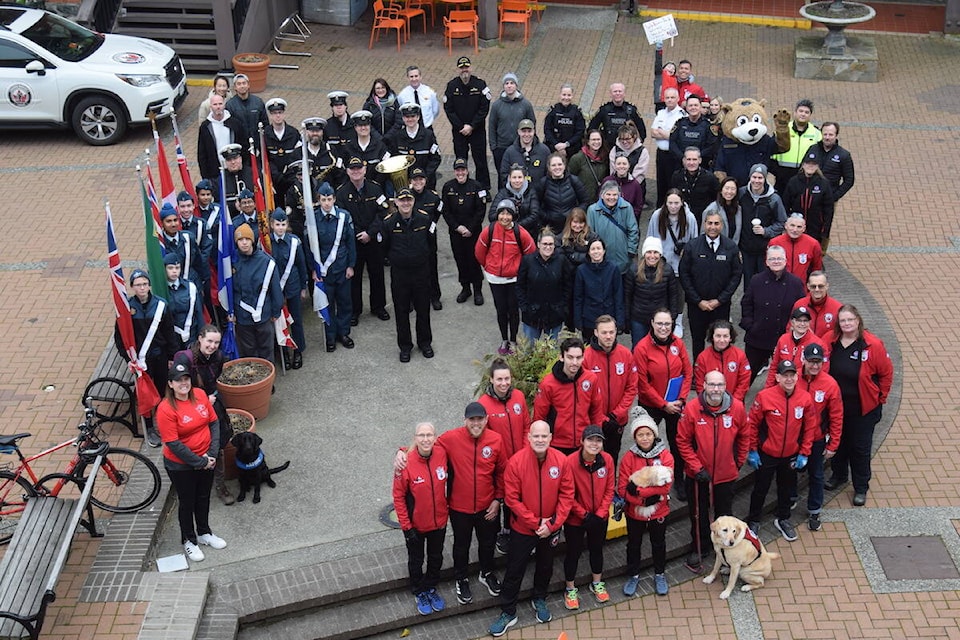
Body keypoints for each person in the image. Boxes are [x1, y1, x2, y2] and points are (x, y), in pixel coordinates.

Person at [397, 402, 507, 608]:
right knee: (461, 546)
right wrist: (401, 450)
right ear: (465, 420)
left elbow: (502, 471)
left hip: (487, 506)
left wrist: (497, 499)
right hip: (459, 508)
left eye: (480, 419)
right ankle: (461, 579)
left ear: (486, 420)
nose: (476, 423)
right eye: (472, 419)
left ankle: (486, 573)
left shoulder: (496, 440)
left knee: (488, 543)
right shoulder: (451, 438)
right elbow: (425, 443)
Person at [488, 420, 574, 636]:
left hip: (551, 528)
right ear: (528, 437)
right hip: (524, 529)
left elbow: (567, 495)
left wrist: (553, 524)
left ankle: (539, 599)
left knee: (545, 566)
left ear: (551, 438)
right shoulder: (516, 463)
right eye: (536, 436)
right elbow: (512, 499)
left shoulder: (561, 461)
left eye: (544, 436)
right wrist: (536, 523)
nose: (540, 440)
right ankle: (508, 612)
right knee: (514, 570)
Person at [676, 370, 748, 572]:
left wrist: (738, 462)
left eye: (720, 385)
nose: (716, 389)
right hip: (698, 476)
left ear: (725, 386)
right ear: (704, 386)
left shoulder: (737, 409)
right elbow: (682, 441)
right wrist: (696, 467)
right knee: (698, 514)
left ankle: (726, 551)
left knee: (725, 516)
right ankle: (700, 547)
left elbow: (744, 436)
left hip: (726, 475)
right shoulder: (691, 409)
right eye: (712, 384)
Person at [157, 357, 226, 562]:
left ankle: (204, 532)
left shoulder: (200, 394)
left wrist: (211, 454)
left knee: (203, 498)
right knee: (187, 502)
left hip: (207, 459)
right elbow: (173, 443)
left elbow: (213, 423)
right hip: (181, 466)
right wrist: (200, 461)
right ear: (170, 384)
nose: (183, 383)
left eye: (186, 378)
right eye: (178, 380)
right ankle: (189, 539)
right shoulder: (166, 409)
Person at [825, 305, 893, 507]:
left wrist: (880, 398)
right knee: (839, 443)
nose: (846, 324)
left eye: (850, 320)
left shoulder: (872, 345)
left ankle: (861, 486)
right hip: (836, 408)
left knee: (860, 448)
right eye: (843, 320)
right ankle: (839, 476)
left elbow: (886, 373)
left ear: (858, 321)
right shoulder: (830, 340)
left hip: (863, 410)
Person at [745, 360, 817, 542]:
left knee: (786, 489)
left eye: (792, 375)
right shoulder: (764, 397)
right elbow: (752, 425)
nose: (789, 379)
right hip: (767, 454)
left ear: (797, 376)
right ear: (777, 377)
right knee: (760, 489)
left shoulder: (805, 399)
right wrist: (752, 450)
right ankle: (754, 520)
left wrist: (804, 453)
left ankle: (783, 519)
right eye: (784, 375)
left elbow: (810, 427)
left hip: (791, 455)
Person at [632, 308, 692, 497]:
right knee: (647, 443)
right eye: (659, 323)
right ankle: (645, 480)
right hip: (651, 405)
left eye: (667, 324)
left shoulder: (678, 344)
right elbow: (642, 383)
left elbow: (688, 372)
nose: (663, 327)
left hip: (675, 404)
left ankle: (678, 480)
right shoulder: (641, 348)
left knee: (677, 442)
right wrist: (663, 404)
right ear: (652, 323)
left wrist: (681, 399)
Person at [115, 269, 177, 447]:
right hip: (140, 362)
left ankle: (164, 422)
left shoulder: (161, 305)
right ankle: (149, 427)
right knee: (145, 396)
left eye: (144, 284)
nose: (142, 288)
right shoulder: (126, 308)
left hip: (160, 356)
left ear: (149, 285)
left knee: (161, 391)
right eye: (137, 285)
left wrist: (171, 356)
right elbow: (120, 337)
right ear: (132, 287)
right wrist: (128, 359)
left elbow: (169, 332)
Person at [174, 325, 234, 506]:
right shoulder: (185, 359)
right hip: (191, 408)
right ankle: (193, 486)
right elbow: (178, 387)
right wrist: (200, 399)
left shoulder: (219, 357)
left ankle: (220, 486)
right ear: (200, 338)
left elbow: (215, 379)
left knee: (218, 445)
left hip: (213, 406)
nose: (212, 345)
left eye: (216, 342)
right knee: (192, 446)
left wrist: (211, 399)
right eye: (209, 341)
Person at [393, 422, 448, 616]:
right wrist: (406, 528)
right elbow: (398, 497)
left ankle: (431, 588)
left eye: (429, 435)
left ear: (435, 437)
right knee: (416, 561)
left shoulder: (442, 452)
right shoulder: (405, 462)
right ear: (415, 438)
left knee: (436, 558)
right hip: (415, 526)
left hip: (439, 523)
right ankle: (418, 591)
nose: (425, 439)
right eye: (421, 435)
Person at [477, 358, 531, 554]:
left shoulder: (518, 396)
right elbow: (484, 439)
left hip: (522, 460)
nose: (503, 383)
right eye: (499, 379)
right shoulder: (483, 404)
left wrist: (525, 453)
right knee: (503, 498)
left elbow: (526, 425)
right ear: (491, 379)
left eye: (507, 379)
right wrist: (504, 462)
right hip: (499, 465)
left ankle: (517, 530)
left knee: (520, 497)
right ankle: (503, 533)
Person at [619, 409, 674, 597]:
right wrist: (643, 499)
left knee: (658, 543)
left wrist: (640, 491)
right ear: (635, 437)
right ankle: (633, 575)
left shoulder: (665, 456)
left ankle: (660, 574)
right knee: (634, 544)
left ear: (654, 434)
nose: (644, 438)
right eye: (640, 435)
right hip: (635, 512)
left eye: (648, 434)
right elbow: (623, 489)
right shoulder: (628, 458)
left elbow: (666, 486)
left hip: (659, 512)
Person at [562, 424, 615, 610]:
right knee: (573, 553)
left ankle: (597, 583)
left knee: (597, 549)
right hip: (576, 519)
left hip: (599, 517)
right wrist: (584, 515)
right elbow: (567, 494)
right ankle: (570, 588)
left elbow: (610, 488)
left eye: (598, 440)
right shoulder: (569, 462)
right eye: (590, 439)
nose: (594, 443)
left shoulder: (607, 459)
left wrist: (600, 513)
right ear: (582, 442)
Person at [678, 210, 742, 359]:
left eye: (716, 223)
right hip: (697, 306)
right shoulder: (692, 246)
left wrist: (720, 300)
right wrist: (698, 301)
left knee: (721, 341)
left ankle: (719, 371)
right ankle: (698, 371)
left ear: (722, 225)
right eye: (710, 223)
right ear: (704, 224)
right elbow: (684, 275)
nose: (713, 227)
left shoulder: (731, 247)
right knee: (697, 340)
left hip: (721, 306)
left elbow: (736, 275)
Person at [475, 200, 536, 354]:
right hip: (495, 279)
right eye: (502, 213)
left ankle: (514, 340)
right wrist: (489, 267)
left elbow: (531, 253)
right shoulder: (489, 230)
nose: (505, 217)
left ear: (513, 215)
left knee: (514, 310)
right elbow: (479, 252)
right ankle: (504, 339)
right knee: (501, 309)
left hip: (514, 279)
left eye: (508, 213)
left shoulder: (520, 233)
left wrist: (522, 273)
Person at [335, 157, 390, 326]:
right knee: (354, 277)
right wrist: (359, 233)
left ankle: (378, 307)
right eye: (352, 169)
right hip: (354, 241)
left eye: (359, 168)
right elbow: (343, 217)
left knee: (377, 275)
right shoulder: (342, 193)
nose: (356, 172)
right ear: (348, 172)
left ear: (365, 170)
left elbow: (383, 212)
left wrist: (370, 233)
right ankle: (355, 311)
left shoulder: (375, 188)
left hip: (373, 240)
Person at [382, 188, 434, 361]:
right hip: (400, 274)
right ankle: (405, 346)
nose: (405, 203)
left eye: (408, 200)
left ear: (413, 201)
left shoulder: (425, 219)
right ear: (396, 202)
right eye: (402, 200)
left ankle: (425, 343)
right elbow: (385, 248)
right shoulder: (389, 223)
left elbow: (431, 245)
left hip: (421, 272)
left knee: (423, 310)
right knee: (401, 311)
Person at [740, 244, 805, 381]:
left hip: (784, 338)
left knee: (784, 377)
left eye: (779, 259)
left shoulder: (796, 283)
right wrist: (750, 325)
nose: (776, 261)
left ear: (785, 260)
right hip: (758, 337)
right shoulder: (756, 280)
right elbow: (746, 303)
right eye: (772, 259)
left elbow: (801, 310)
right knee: (746, 376)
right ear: (767, 261)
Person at [796, 343, 843, 532]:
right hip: (793, 437)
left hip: (816, 438)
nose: (815, 366)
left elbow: (836, 416)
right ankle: (790, 499)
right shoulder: (792, 377)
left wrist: (833, 444)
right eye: (811, 361)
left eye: (818, 362)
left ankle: (814, 509)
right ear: (803, 360)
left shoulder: (830, 384)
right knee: (790, 471)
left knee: (816, 474)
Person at [533, 336, 604, 454]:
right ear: (561, 357)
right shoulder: (548, 384)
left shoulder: (591, 379)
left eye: (578, 358)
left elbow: (596, 411)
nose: (574, 363)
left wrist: (595, 437)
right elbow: (539, 417)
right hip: (557, 445)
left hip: (583, 442)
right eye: (570, 357)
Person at [583, 315, 638, 462]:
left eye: (611, 332)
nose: (608, 336)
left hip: (618, 420)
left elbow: (631, 387)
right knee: (592, 458)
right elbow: (584, 394)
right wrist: (601, 418)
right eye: (604, 332)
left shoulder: (625, 354)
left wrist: (616, 415)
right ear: (595, 332)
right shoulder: (586, 356)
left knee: (612, 456)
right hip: (594, 421)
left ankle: (610, 484)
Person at [311, 182, 357, 352]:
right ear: (319, 200)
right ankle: (330, 336)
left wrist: (351, 265)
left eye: (329, 199)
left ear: (334, 199)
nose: (327, 203)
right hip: (324, 271)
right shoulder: (313, 219)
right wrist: (313, 269)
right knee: (327, 304)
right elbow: (310, 247)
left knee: (345, 303)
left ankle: (343, 333)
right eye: (323, 199)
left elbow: (351, 243)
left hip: (342, 267)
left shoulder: (344, 216)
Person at [231, 224, 283, 360]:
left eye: (247, 239)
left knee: (266, 350)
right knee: (249, 352)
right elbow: (231, 291)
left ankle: (268, 381)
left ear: (252, 240)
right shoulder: (232, 262)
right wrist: (231, 312)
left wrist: (276, 311)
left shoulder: (266, 261)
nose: (244, 243)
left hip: (264, 314)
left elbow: (275, 289)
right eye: (240, 240)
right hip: (242, 317)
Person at [442, 157, 488, 306]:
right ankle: (465, 288)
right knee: (460, 260)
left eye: (463, 170)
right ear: (454, 171)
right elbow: (446, 211)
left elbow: (481, 211)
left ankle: (477, 290)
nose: (460, 173)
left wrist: (470, 228)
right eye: (458, 170)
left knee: (474, 261)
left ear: (467, 171)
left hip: (473, 233)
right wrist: (457, 227)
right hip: (456, 233)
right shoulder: (448, 187)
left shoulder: (477, 187)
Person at [443, 56, 492, 190]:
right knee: (460, 162)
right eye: (462, 68)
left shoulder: (480, 85)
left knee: (480, 161)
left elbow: (484, 108)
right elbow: (448, 109)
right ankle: (462, 187)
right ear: (458, 69)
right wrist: (461, 127)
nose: (464, 70)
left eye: (467, 67)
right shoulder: (451, 86)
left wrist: (472, 125)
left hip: (477, 131)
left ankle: (483, 189)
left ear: (471, 68)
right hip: (459, 132)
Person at [625, 236, 682, 347]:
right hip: (639, 318)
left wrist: (673, 318)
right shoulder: (633, 270)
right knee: (638, 349)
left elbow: (673, 296)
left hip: (660, 320)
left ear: (660, 254)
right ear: (644, 253)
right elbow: (627, 296)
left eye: (655, 252)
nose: (652, 256)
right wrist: (627, 318)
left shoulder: (667, 270)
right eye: (649, 252)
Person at [269, 209, 309, 368]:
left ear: (287, 225)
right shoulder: (267, 243)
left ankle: (298, 350)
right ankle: (283, 351)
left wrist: (303, 286)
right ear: (272, 225)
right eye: (277, 224)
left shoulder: (294, 242)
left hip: (292, 286)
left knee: (296, 320)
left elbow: (301, 264)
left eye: (283, 224)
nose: (280, 228)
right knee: (278, 321)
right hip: (275, 289)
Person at [517, 227, 570, 342]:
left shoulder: (562, 261)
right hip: (532, 315)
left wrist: (562, 307)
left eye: (551, 244)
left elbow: (567, 286)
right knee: (528, 350)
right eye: (545, 244)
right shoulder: (527, 261)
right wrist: (524, 307)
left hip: (554, 315)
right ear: (538, 244)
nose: (548, 247)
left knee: (551, 353)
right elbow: (520, 286)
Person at [738, 163, 788, 286]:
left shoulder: (774, 199)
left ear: (765, 179)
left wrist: (766, 231)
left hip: (765, 249)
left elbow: (782, 222)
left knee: (765, 282)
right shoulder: (741, 193)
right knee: (748, 283)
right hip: (746, 248)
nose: (757, 181)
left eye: (760, 178)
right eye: (754, 177)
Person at [812, 122, 854, 251]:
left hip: (828, 199)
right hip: (811, 196)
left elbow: (849, 180)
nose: (827, 137)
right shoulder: (813, 149)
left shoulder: (844, 155)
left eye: (831, 134)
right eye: (825, 134)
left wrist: (834, 196)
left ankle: (821, 252)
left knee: (825, 225)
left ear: (836, 136)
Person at [488, 72, 535, 186]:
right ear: (503, 86)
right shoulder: (497, 105)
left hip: (519, 147)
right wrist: (494, 147)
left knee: (519, 175)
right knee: (502, 176)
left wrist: (528, 144)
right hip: (501, 147)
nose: (509, 86)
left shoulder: (526, 104)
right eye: (507, 83)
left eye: (512, 83)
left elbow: (532, 123)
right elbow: (492, 126)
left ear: (516, 86)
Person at [586, 179, 639, 277]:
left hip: (623, 257)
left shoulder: (627, 207)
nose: (612, 198)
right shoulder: (592, 210)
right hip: (602, 258)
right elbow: (590, 234)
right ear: (602, 195)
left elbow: (633, 230)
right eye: (608, 194)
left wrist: (631, 250)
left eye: (614, 195)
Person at [766, 306, 828, 387]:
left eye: (805, 321)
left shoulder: (818, 344)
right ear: (792, 322)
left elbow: (823, 371)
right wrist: (768, 388)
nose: (802, 324)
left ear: (809, 323)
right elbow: (774, 367)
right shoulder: (783, 339)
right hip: (783, 386)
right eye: (799, 320)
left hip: (804, 389)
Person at [409, 167, 444, 310]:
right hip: (411, 238)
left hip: (428, 238)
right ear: (411, 182)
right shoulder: (406, 196)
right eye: (415, 180)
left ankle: (434, 297)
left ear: (425, 180)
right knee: (411, 269)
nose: (418, 182)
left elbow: (438, 212)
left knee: (431, 267)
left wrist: (431, 226)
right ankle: (411, 298)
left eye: (421, 179)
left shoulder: (433, 197)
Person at [385, 102, 442, 190]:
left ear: (418, 117)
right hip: (405, 184)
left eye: (413, 116)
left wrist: (424, 177)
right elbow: (394, 159)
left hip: (426, 183)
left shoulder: (428, 135)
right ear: (403, 118)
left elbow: (435, 158)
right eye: (407, 117)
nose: (410, 119)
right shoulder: (397, 136)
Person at [573, 237, 625, 335]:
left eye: (599, 248)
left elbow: (618, 296)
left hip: (609, 318)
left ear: (604, 251)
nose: (596, 251)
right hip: (589, 319)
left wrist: (620, 321)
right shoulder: (581, 270)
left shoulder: (613, 269)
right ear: (588, 252)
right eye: (593, 249)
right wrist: (578, 321)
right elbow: (578, 298)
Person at [782, 153, 835, 246]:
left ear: (817, 166)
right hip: (795, 228)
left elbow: (828, 209)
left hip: (815, 228)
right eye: (808, 163)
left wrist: (825, 230)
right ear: (803, 165)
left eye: (814, 164)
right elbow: (785, 205)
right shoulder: (793, 181)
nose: (810, 166)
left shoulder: (824, 184)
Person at [771, 98, 822, 194]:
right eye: (801, 111)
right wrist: (777, 171)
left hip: (805, 177)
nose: (803, 114)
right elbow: (771, 152)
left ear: (810, 115)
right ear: (795, 112)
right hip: (783, 177)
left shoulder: (816, 133)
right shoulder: (783, 129)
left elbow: (821, 156)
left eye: (807, 112)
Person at [694, 320, 751, 402]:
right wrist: (708, 402)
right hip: (710, 404)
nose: (721, 340)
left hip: (735, 403)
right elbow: (700, 384)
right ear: (712, 337)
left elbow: (744, 381)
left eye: (725, 336)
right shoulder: (703, 357)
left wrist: (734, 402)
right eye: (718, 336)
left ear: (730, 338)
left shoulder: (740, 355)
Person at [647, 188, 698, 274]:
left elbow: (695, 243)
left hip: (681, 268)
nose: (673, 206)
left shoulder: (690, 218)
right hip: (660, 267)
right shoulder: (657, 216)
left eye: (676, 203)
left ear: (682, 202)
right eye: (670, 203)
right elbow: (650, 240)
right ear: (666, 202)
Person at [535, 152, 589, 233]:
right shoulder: (543, 183)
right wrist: (547, 216)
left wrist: (574, 215)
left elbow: (585, 201)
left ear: (564, 166)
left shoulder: (574, 181)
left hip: (572, 227)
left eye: (560, 164)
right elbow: (535, 205)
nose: (557, 167)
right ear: (549, 168)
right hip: (551, 228)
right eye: (553, 165)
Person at [651, 87, 686, 208]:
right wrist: (668, 134)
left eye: (672, 97)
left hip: (674, 155)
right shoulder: (661, 113)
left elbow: (677, 138)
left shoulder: (682, 115)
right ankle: (660, 209)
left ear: (678, 98)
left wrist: (663, 133)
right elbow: (652, 133)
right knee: (661, 183)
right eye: (667, 98)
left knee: (673, 183)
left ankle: (673, 208)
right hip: (661, 154)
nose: (670, 100)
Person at [197, 93, 245, 181]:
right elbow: (202, 154)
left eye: (220, 104)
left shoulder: (235, 123)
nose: (218, 107)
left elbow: (243, 146)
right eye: (215, 104)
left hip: (235, 170)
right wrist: (205, 175)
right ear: (211, 107)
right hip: (215, 172)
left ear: (224, 105)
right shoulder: (205, 127)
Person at [263, 98, 302, 201]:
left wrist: (289, 174)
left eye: (280, 112)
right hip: (273, 180)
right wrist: (275, 174)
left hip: (291, 179)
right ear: (270, 115)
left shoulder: (293, 133)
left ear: (284, 114)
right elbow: (264, 158)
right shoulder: (264, 134)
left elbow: (297, 156)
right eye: (274, 113)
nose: (278, 116)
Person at [340, 110, 391, 190]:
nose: (363, 128)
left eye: (366, 125)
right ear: (355, 127)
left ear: (370, 126)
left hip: (377, 189)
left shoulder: (380, 146)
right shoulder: (348, 147)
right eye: (360, 125)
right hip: (353, 189)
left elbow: (385, 170)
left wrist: (374, 186)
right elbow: (344, 170)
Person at [769, 213, 824, 287]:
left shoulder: (813, 244)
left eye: (799, 227)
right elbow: (768, 265)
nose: (795, 230)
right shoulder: (775, 242)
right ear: (786, 226)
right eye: (792, 225)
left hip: (801, 288)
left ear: (804, 229)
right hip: (778, 287)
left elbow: (817, 268)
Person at [163, 253, 202, 351]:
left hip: (190, 334)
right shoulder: (162, 290)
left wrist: (202, 335)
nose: (174, 271)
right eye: (170, 268)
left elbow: (198, 312)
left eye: (177, 267)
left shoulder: (190, 287)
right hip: (171, 337)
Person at [588, 82, 646, 148]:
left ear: (624, 94)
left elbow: (642, 131)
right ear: (610, 94)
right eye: (615, 91)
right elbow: (592, 128)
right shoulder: (604, 110)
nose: (617, 93)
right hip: (607, 149)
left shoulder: (632, 110)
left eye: (620, 91)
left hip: (627, 149)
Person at [488, 164, 540, 236]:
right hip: (505, 233)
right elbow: (492, 215)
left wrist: (516, 226)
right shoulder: (502, 193)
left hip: (527, 232)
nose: (517, 180)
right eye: (514, 177)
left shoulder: (531, 192)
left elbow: (534, 215)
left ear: (524, 178)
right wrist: (506, 221)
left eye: (519, 177)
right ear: (509, 178)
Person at [499, 119, 551, 189]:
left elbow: (549, 174)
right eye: (523, 131)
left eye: (529, 131)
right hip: (517, 194)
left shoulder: (544, 151)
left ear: (534, 131)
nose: (526, 134)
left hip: (539, 194)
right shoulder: (510, 152)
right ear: (518, 132)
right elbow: (504, 174)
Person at [670, 146, 719, 222]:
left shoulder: (710, 178)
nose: (691, 163)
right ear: (684, 160)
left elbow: (716, 199)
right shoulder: (676, 176)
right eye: (688, 159)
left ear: (700, 160)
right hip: (682, 217)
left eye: (694, 159)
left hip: (702, 218)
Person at [607, 123, 649, 208]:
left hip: (636, 187)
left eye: (627, 138)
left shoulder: (642, 151)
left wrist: (630, 185)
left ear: (634, 137)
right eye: (621, 139)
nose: (624, 142)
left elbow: (640, 172)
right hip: (617, 187)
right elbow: (613, 170)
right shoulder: (614, 150)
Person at [792, 271, 843, 339]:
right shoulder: (799, 304)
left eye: (820, 286)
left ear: (827, 286)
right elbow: (790, 328)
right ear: (808, 286)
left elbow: (840, 335)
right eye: (813, 286)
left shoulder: (837, 308)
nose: (817, 289)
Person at [225, 74, 268, 154]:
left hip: (257, 146)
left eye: (244, 83)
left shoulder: (258, 102)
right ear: (235, 87)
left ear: (248, 85)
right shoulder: (230, 105)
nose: (242, 86)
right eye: (239, 84)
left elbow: (265, 124)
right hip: (239, 147)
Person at [669, 95, 717, 166]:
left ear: (700, 107)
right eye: (690, 105)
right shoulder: (680, 123)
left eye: (696, 105)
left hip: (702, 166)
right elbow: (672, 143)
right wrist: (683, 158)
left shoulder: (708, 126)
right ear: (686, 108)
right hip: (681, 165)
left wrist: (696, 158)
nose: (693, 107)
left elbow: (712, 147)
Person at [544, 84, 585, 159]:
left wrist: (566, 145)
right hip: (554, 149)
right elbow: (547, 130)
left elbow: (580, 132)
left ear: (572, 96)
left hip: (573, 151)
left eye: (569, 95)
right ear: (560, 95)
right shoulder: (553, 111)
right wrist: (556, 145)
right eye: (564, 95)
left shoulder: (577, 112)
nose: (566, 98)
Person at [302, 117, 345, 189]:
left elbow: (340, 175)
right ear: (306, 132)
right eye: (312, 131)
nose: (315, 134)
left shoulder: (331, 151)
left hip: (328, 197)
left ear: (322, 132)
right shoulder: (298, 152)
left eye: (318, 131)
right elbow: (291, 177)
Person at [567, 129, 609, 202]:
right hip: (581, 201)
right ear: (588, 142)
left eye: (598, 139)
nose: (596, 142)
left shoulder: (605, 157)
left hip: (600, 202)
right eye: (593, 139)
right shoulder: (577, 158)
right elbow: (569, 179)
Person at [602, 154, 645, 222]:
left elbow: (638, 206)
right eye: (618, 164)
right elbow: (599, 200)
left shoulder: (635, 184)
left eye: (624, 164)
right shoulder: (607, 181)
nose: (621, 166)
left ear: (629, 166)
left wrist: (629, 218)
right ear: (615, 165)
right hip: (607, 220)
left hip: (627, 222)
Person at [397, 65, 441, 129]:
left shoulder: (430, 92)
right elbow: (400, 112)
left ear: (420, 77)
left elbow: (435, 110)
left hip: (427, 128)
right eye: (411, 76)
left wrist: (428, 121)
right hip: (410, 129)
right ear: (407, 78)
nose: (414, 79)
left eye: (416, 76)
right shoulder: (402, 95)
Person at [701, 177, 742, 244]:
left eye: (733, 189)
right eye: (727, 188)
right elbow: (703, 233)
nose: (729, 191)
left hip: (732, 249)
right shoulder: (711, 209)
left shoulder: (738, 209)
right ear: (721, 190)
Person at [559, 207, 598, 273]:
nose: (578, 225)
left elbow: (596, 254)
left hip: (587, 272)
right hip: (568, 273)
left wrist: (573, 256)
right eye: (575, 222)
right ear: (570, 222)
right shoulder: (561, 238)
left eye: (581, 222)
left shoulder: (592, 237)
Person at [217, 144, 253, 213]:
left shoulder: (252, 174)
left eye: (235, 158)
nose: (233, 162)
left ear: (240, 159)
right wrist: (234, 206)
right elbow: (219, 202)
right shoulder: (221, 179)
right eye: (229, 160)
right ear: (225, 162)